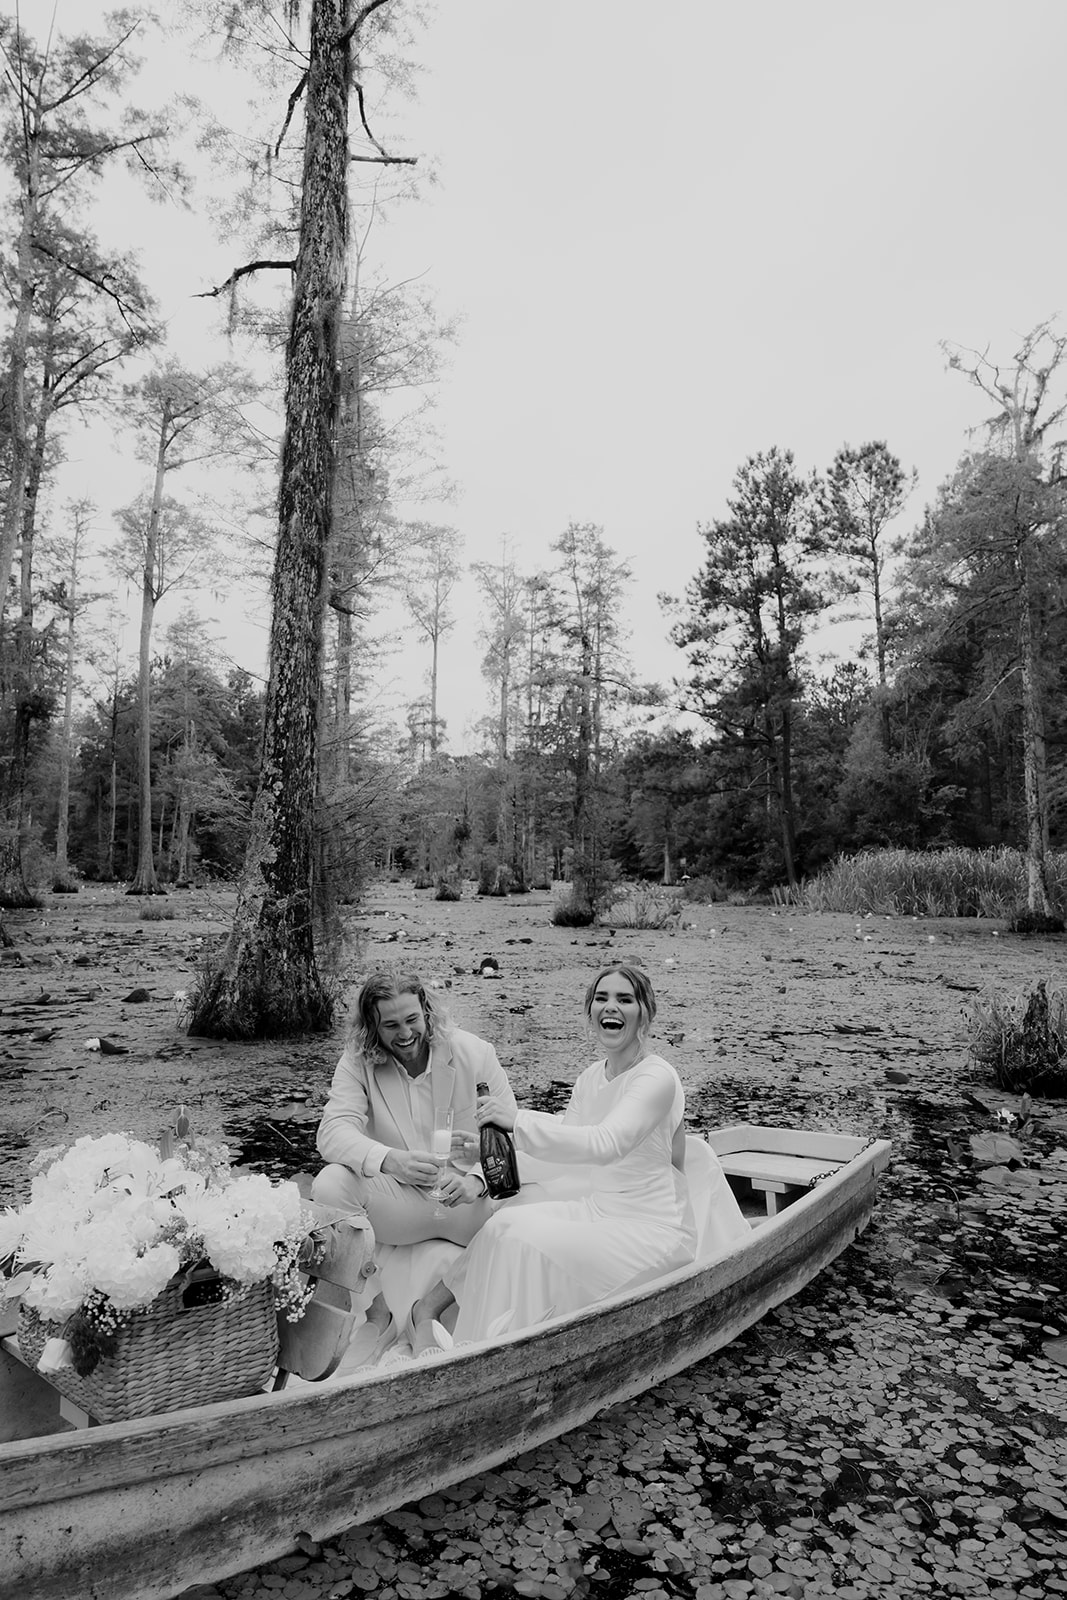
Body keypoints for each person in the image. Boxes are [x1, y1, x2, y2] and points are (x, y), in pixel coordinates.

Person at [413, 963, 743, 1349]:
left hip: (654, 1228)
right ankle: (469, 1337)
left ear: (645, 1013)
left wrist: (516, 1121)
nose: (611, 1007)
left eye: (625, 999)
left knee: (528, 1241)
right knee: (505, 1227)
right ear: (590, 1012)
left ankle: (508, 1346)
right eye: (601, 999)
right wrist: (483, 1166)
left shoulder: (657, 1078)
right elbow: (563, 1155)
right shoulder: (591, 1077)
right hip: (599, 1210)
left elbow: (605, 1144)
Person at [313, 967, 516, 1357]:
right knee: (329, 1185)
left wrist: (476, 1179)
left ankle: (429, 1311)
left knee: (520, 1214)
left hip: (466, 1204)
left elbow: (510, 1138)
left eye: (411, 1020)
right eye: (390, 1025)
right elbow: (332, 1133)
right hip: (401, 1200)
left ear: (426, 1011)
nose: (404, 1034)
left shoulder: (475, 1053)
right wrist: (390, 1161)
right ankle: (379, 1314)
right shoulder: (357, 1062)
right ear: (372, 1027)